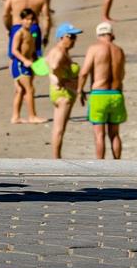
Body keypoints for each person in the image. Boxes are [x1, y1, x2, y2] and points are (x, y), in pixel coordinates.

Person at [82, 22, 126, 159]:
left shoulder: (94, 49)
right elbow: (122, 74)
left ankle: (101, 166)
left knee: (99, 135)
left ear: (98, 35)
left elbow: (84, 72)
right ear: (112, 35)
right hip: (116, 94)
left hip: (99, 94)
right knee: (115, 134)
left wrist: (79, 90)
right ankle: (117, 163)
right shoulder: (119, 50)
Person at [44, 25, 83, 159]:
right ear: (61, 37)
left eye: (75, 37)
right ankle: (56, 158)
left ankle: (57, 157)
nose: (73, 40)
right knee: (59, 129)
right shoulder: (60, 52)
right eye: (70, 37)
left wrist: (55, 78)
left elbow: (44, 64)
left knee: (58, 128)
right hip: (64, 94)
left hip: (59, 92)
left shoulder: (55, 51)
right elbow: (54, 67)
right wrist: (62, 79)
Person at [9, 8, 44, 125]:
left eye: (31, 19)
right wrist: (24, 60)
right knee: (30, 89)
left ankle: (15, 117)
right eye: (27, 19)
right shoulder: (19, 33)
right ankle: (32, 116)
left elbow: (31, 49)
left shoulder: (30, 33)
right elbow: (14, 50)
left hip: (28, 63)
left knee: (20, 90)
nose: (29, 22)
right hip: (19, 64)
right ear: (22, 20)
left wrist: (37, 60)